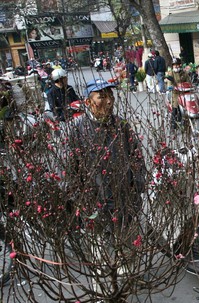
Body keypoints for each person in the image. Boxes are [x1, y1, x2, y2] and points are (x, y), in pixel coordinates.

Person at [63, 78, 146, 290]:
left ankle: (125, 286)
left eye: (110, 95)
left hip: (124, 200)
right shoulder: (77, 130)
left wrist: (136, 185)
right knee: (100, 255)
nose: (108, 101)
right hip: (95, 203)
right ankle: (105, 292)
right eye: (102, 96)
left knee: (126, 251)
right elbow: (71, 170)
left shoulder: (121, 126)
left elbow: (137, 157)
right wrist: (80, 199)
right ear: (88, 101)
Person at [164, 58, 190, 129]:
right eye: (174, 65)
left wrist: (190, 86)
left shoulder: (184, 73)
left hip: (184, 93)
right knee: (175, 107)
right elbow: (169, 83)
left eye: (177, 65)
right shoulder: (171, 73)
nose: (176, 66)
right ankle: (173, 124)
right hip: (175, 93)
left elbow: (189, 82)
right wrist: (170, 87)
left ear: (180, 65)